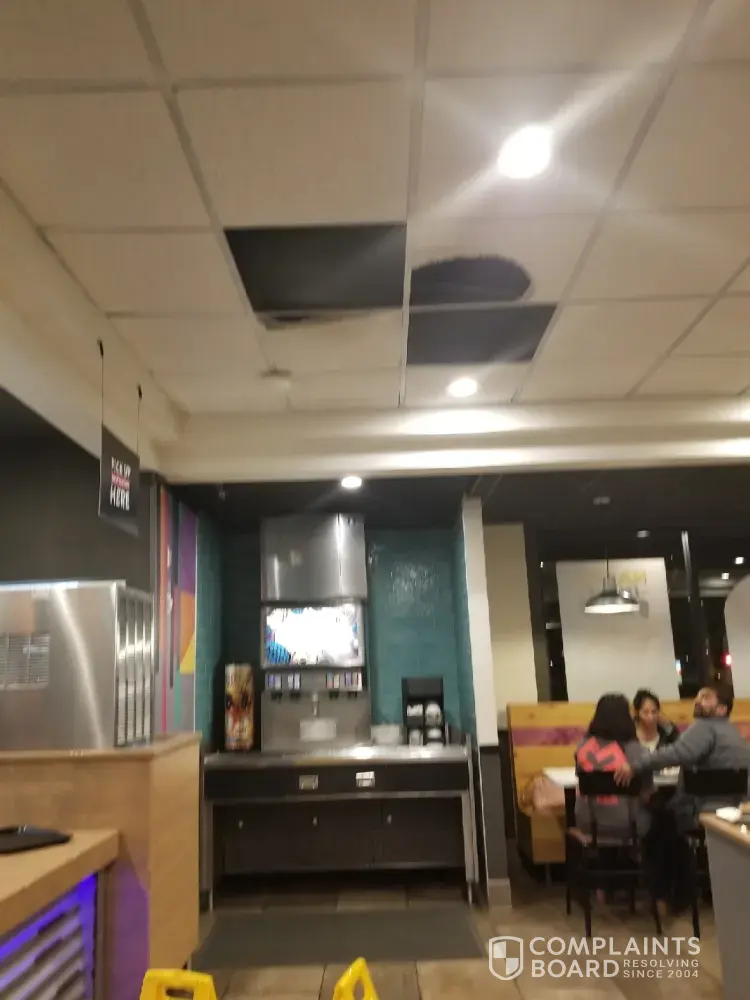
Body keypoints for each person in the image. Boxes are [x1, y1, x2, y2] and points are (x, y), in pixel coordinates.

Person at [616, 683, 750, 830]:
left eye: (705, 698)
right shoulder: (733, 732)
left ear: (721, 709)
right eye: (698, 696)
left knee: (658, 813)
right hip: (738, 811)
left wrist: (635, 765)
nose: (697, 701)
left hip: (706, 812)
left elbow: (676, 753)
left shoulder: (705, 727)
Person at [575, 693, 652, 839]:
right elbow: (647, 793)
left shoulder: (582, 746)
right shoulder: (635, 750)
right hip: (628, 824)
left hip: (588, 823)